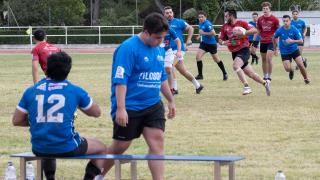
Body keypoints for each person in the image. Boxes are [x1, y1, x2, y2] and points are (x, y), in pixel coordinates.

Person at [100, 13, 176, 180]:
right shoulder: (127, 48)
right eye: (157, 37)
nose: (160, 41)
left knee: (157, 141)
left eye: (163, 37)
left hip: (153, 105)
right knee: (121, 146)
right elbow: (120, 80)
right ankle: (97, 175)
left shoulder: (159, 48)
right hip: (130, 106)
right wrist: (121, 109)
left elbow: (161, 77)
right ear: (146, 32)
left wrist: (170, 100)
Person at [12, 52, 107, 180]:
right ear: (68, 71)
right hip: (67, 146)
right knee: (101, 148)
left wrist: (43, 120)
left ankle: (50, 178)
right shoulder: (74, 90)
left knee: (48, 145)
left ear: (46, 69)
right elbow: (97, 113)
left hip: (39, 147)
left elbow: (16, 120)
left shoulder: (31, 90)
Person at [219, 9, 270, 96]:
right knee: (251, 74)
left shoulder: (242, 23)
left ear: (231, 16)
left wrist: (244, 33)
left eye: (226, 16)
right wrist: (223, 42)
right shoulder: (225, 27)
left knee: (235, 66)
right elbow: (220, 39)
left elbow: (255, 30)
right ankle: (265, 83)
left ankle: (247, 87)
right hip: (234, 53)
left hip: (244, 49)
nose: (225, 17)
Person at [164, 6, 204, 94]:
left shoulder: (179, 22)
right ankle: (198, 86)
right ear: (164, 14)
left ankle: (174, 89)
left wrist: (189, 39)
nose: (169, 14)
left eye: (170, 12)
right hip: (169, 51)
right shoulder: (164, 24)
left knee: (169, 67)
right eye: (167, 13)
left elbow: (191, 28)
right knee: (183, 70)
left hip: (179, 50)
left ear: (173, 13)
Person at [272, 15, 310, 84]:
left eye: (287, 21)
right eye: (284, 21)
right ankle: (291, 70)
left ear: (290, 21)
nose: (285, 22)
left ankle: (306, 79)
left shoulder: (294, 29)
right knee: (287, 69)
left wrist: (293, 41)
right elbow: (274, 37)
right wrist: (275, 48)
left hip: (294, 50)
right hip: (284, 52)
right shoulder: (279, 30)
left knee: (300, 65)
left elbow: (301, 41)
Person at [195, 11, 228, 81]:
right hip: (204, 43)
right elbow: (201, 31)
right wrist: (199, 35)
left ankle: (225, 73)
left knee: (216, 59)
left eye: (202, 17)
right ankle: (200, 75)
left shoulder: (208, 24)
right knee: (198, 57)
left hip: (211, 44)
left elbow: (213, 33)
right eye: (199, 17)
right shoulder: (200, 23)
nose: (200, 18)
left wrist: (203, 33)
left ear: (205, 17)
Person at [257, 2, 280, 81]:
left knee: (268, 59)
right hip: (263, 41)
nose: (265, 10)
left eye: (266, 9)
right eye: (263, 9)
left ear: (270, 9)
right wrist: (255, 41)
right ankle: (265, 76)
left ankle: (269, 77)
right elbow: (258, 29)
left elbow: (277, 33)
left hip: (271, 41)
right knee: (263, 60)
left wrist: (276, 47)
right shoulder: (260, 19)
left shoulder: (275, 19)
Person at [163, 28, 183, 94]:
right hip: (156, 51)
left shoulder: (170, 30)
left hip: (168, 52)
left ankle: (171, 90)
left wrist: (179, 51)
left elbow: (178, 40)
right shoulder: (154, 28)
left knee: (168, 68)